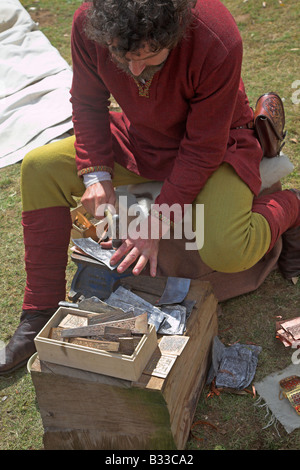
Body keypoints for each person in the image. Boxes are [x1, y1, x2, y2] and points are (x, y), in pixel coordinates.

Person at [1, 0, 299, 374]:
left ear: (175, 29)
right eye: (122, 56)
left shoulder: (216, 33)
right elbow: (89, 101)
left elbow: (203, 146)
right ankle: (38, 311)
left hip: (219, 144)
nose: (136, 70)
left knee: (227, 250)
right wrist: (96, 175)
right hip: (142, 138)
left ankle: (292, 205)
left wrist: (155, 224)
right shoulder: (90, 21)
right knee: (39, 167)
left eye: (151, 55)